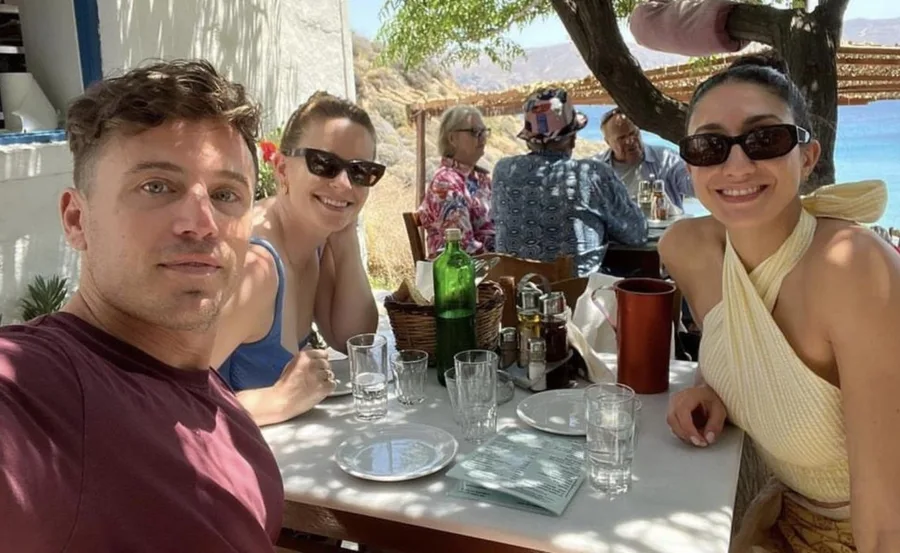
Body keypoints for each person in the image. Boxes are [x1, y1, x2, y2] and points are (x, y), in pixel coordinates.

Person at [0, 60, 284, 551]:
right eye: (157, 186)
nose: (201, 222)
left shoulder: (197, 382)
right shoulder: (40, 391)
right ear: (76, 219)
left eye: (225, 194)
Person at [661, 53, 900, 551]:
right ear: (690, 165)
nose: (737, 164)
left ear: (807, 158)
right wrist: (712, 386)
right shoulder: (688, 251)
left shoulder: (851, 268)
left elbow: (886, 520)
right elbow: (747, 344)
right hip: (787, 520)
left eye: (764, 139)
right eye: (710, 145)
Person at [213, 91, 382, 426]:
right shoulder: (256, 267)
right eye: (324, 164)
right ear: (281, 168)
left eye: (361, 172)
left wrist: (345, 233)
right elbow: (166, 402)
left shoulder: (315, 242)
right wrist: (276, 401)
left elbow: (353, 339)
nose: (344, 183)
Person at [491, 88, 648, 277]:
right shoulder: (592, 174)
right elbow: (637, 234)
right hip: (576, 299)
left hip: (515, 296)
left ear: (529, 141)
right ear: (572, 139)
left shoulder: (503, 171)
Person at [417, 104, 494, 257]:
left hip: (493, 267)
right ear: (452, 139)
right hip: (463, 273)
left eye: (484, 132)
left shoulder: (481, 179)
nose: (483, 138)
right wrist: (508, 261)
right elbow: (463, 247)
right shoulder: (445, 183)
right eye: (475, 132)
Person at [594, 108, 694, 209]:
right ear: (608, 142)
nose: (630, 141)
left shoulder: (667, 159)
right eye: (622, 138)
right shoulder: (595, 169)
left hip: (664, 223)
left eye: (634, 133)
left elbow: (693, 185)